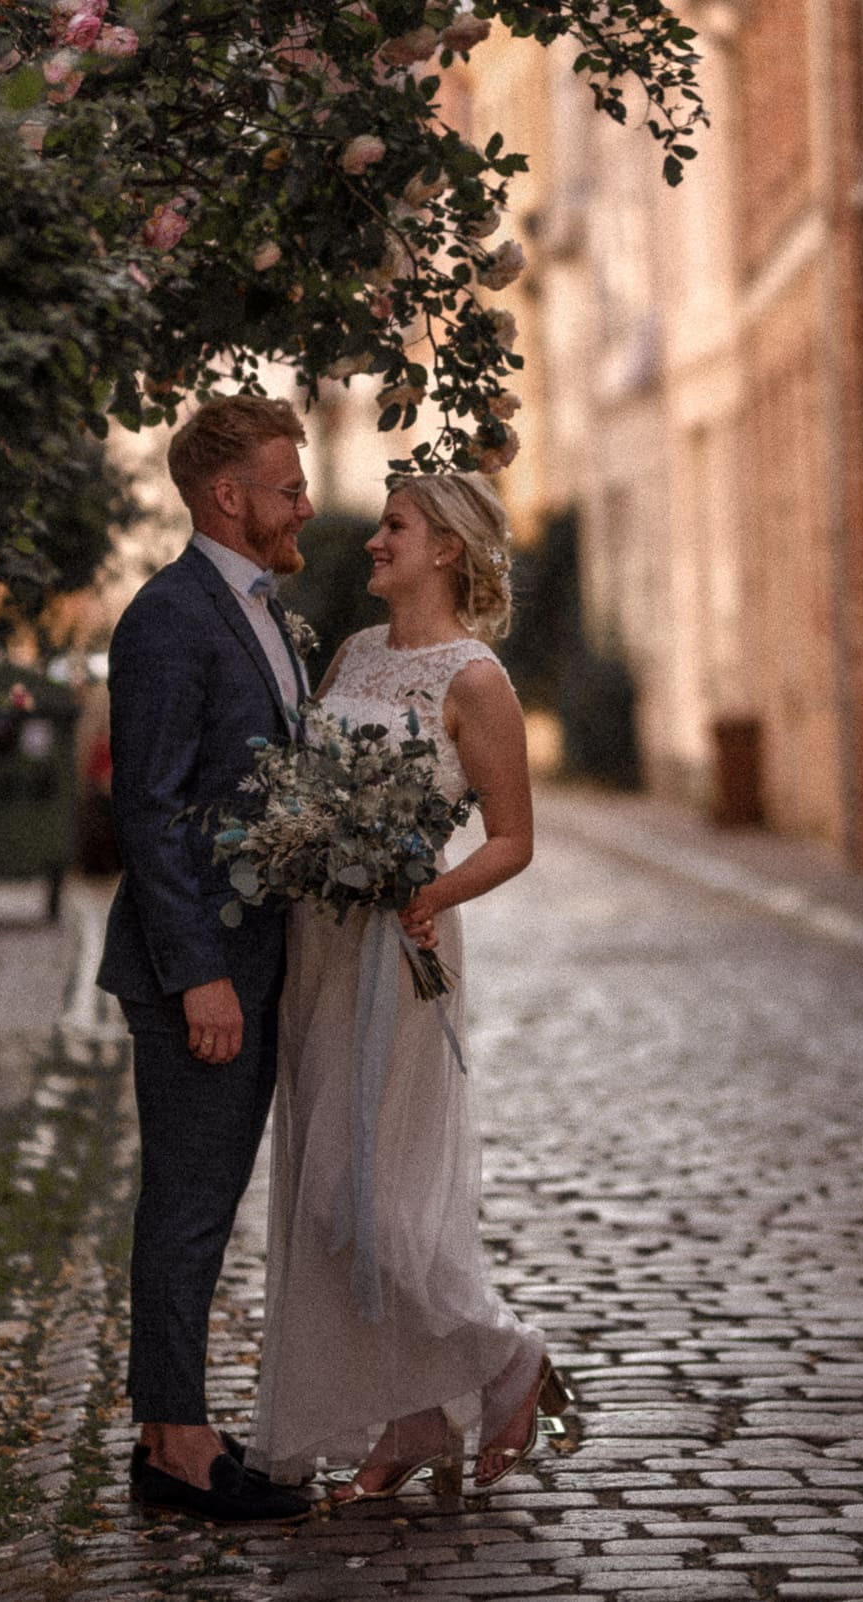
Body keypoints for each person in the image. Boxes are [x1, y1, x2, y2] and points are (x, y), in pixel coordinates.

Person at [251, 471, 580, 1509]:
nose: (375, 540)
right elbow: (309, 791)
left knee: (375, 1202)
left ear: (446, 549)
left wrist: (424, 889)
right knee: (322, 1197)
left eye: (395, 526)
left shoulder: (475, 680)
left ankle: (507, 1357)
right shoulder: (350, 654)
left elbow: (515, 838)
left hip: (401, 946)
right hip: (320, 947)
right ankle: (411, 1417)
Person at [95, 394, 316, 1524]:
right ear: (226, 497)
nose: (307, 504)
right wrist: (200, 975)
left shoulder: (258, 612)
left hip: (254, 961)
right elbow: (151, 810)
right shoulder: (170, 619)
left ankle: (167, 1418)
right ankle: (175, 1446)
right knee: (187, 1205)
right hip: (200, 973)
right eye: (288, 487)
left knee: (207, 1200)